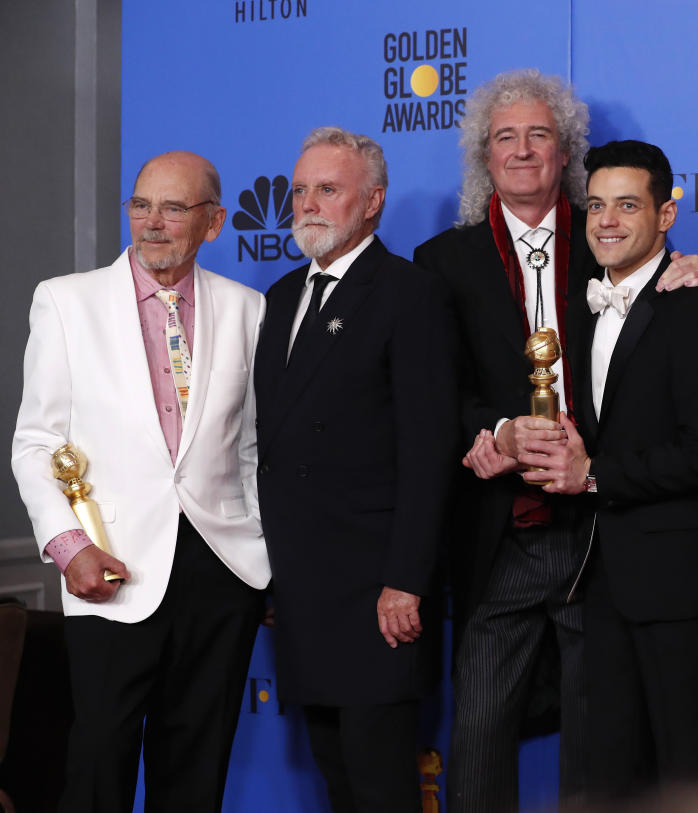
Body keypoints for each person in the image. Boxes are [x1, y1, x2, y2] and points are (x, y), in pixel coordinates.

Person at [413, 68, 698, 812]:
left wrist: (691, 276)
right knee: (479, 730)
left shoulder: (613, 236)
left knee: (603, 737)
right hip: (498, 533)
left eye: (539, 135)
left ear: (566, 152)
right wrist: (491, 430)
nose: (522, 150)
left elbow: (661, 343)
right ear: (485, 155)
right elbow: (433, 394)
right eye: (505, 137)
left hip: (603, 534)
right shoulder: (441, 262)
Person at [11, 151, 269, 812]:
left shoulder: (248, 310)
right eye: (141, 205)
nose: (152, 223)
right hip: (111, 566)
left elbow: (251, 450)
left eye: (174, 208)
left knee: (196, 768)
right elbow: (37, 441)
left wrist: (261, 558)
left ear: (213, 223)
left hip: (219, 574)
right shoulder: (66, 302)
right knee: (99, 762)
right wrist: (69, 546)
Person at [527, 140, 698, 798]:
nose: (608, 221)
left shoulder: (695, 306)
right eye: (596, 206)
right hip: (603, 578)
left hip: (677, 582)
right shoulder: (582, 312)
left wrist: (595, 474)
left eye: (627, 205)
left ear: (667, 215)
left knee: (685, 769)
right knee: (615, 772)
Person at [253, 126, 457, 812]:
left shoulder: (409, 293)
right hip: (303, 589)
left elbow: (429, 451)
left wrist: (406, 578)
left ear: (371, 202)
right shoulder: (281, 296)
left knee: (381, 785)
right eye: (300, 190)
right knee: (336, 774)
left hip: (377, 591)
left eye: (328, 190)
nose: (308, 204)